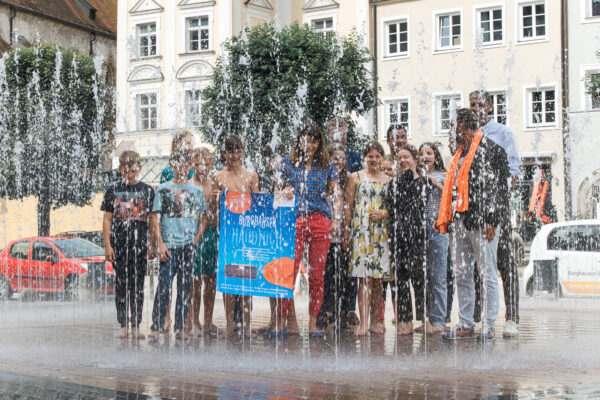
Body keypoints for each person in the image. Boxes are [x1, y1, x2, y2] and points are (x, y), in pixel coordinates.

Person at [439, 108, 510, 341]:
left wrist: (492, 219)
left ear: (466, 127)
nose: (453, 132)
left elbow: (500, 189)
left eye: (455, 127)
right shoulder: (458, 154)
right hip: (459, 221)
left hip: (483, 222)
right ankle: (466, 323)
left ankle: (489, 325)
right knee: (461, 273)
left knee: (488, 273)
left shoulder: (491, 149)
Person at [275, 124, 342, 337]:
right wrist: (282, 191)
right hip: (294, 220)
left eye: (313, 141)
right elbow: (275, 190)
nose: (309, 145)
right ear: (299, 141)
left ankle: (313, 321)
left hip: (319, 219)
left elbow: (336, 194)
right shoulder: (287, 163)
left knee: (316, 275)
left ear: (319, 143)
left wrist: (337, 219)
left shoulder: (326, 165)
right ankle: (286, 320)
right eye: (305, 140)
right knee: (288, 272)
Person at [469, 90, 521, 338]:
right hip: (476, 210)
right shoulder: (470, 136)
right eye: (472, 104)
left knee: (505, 262)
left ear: (489, 106)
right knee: (481, 264)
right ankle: (482, 316)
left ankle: (512, 318)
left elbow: (512, 171)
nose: (476, 108)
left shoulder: (502, 132)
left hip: (497, 208)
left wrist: (496, 210)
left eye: (479, 104)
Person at [149, 150, 208, 341]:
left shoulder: (196, 191)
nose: (181, 169)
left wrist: (196, 240)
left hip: (187, 246)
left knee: (185, 288)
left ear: (189, 167)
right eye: (177, 165)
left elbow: (204, 218)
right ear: (172, 167)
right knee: (164, 287)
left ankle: (181, 327)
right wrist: (160, 243)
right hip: (169, 246)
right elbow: (155, 218)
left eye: (185, 165)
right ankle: (157, 326)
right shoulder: (163, 189)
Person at [102, 151, 154, 340]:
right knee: (121, 285)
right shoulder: (112, 190)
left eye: (133, 168)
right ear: (120, 168)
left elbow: (151, 221)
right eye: (126, 168)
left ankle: (136, 326)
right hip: (120, 247)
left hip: (140, 247)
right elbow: (107, 220)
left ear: (139, 168)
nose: (130, 172)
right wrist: (108, 245)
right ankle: (123, 325)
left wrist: (152, 245)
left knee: (138, 286)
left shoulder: (147, 190)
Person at [212, 135, 259, 338]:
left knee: (247, 281)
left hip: (246, 234)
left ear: (243, 153)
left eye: (238, 151)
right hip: (227, 234)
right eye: (230, 152)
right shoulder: (218, 177)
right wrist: (217, 198)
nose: (235, 156)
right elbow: (213, 208)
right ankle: (230, 323)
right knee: (228, 281)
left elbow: (258, 206)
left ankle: (246, 324)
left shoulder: (251, 176)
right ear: (224, 153)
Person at [343, 141, 391, 336]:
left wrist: (384, 213)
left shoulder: (388, 180)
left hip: (381, 234)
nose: (373, 159)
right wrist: (346, 233)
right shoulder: (355, 177)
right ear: (365, 158)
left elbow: (394, 207)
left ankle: (375, 321)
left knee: (378, 280)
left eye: (377, 156)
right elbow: (348, 206)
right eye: (370, 156)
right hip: (361, 232)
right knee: (363, 278)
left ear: (382, 158)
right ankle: (363, 323)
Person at [386, 144, 431, 335]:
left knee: (420, 279)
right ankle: (405, 320)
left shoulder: (424, 182)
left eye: (407, 157)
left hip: (418, 237)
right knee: (402, 279)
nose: (403, 160)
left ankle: (424, 319)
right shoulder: (394, 184)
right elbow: (392, 209)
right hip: (399, 236)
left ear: (414, 159)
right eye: (400, 158)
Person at [317, 142, 352, 333]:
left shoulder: (349, 179)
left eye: (341, 158)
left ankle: (341, 317)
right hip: (323, 237)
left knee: (343, 279)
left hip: (342, 237)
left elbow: (349, 209)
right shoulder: (323, 178)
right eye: (335, 158)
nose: (338, 162)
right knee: (324, 278)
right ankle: (324, 314)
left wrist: (346, 233)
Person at [184, 147, 218, 337]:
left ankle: (208, 321)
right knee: (194, 282)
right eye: (197, 164)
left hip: (212, 233)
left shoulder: (214, 185)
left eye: (204, 164)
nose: (201, 168)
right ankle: (193, 320)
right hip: (194, 234)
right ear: (192, 165)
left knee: (211, 280)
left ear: (210, 165)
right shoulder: (189, 185)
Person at [419, 142, 448, 334]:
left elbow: (451, 197)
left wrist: (435, 183)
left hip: (438, 227)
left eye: (429, 153)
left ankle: (439, 320)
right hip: (420, 229)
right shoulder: (417, 176)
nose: (425, 157)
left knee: (438, 277)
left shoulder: (444, 176)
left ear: (436, 156)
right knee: (424, 278)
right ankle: (427, 319)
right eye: (422, 154)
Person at [378, 159, 397, 324]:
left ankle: (398, 315)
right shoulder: (375, 186)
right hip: (378, 236)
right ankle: (379, 316)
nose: (386, 172)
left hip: (395, 236)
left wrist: (386, 213)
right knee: (381, 279)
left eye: (389, 169)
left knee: (395, 278)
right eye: (382, 169)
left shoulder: (397, 187)